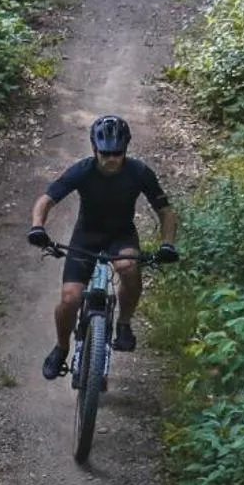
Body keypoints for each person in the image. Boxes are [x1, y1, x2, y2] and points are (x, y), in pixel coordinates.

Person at [25, 114, 179, 380]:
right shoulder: (82, 170)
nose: (111, 159)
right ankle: (61, 348)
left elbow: (166, 212)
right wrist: (38, 226)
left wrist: (168, 244)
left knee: (128, 267)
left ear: (125, 151)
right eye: (105, 153)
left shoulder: (139, 172)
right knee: (70, 298)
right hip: (86, 235)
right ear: (94, 149)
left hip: (121, 234)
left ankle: (124, 325)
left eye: (117, 153)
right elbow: (46, 200)